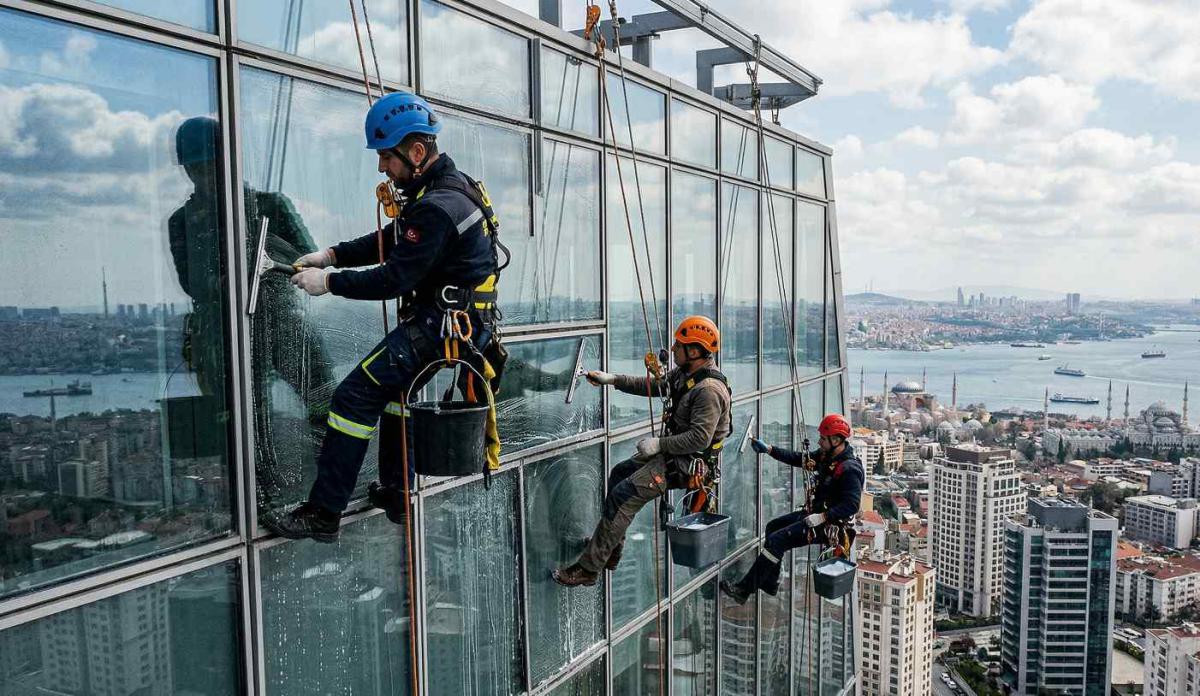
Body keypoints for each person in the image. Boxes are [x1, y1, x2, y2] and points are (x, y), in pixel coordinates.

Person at [264, 91, 503, 543]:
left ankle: (323, 513)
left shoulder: (436, 206)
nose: (382, 169)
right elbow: (394, 238)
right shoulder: (450, 190)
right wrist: (332, 255)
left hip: (441, 325)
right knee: (393, 395)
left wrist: (329, 283)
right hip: (456, 321)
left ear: (416, 152)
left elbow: (393, 276)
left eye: (386, 157)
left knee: (353, 397)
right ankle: (395, 488)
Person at [169, 116, 332, 465]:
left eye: (207, 166)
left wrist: (265, 264)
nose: (202, 175)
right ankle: (262, 490)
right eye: (195, 169)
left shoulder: (269, 206)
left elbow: (307, 258)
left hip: (277, 318)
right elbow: (190, 281)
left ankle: (329, 472)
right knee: (247, 419)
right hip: (225, 331)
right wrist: (223, 283)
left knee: (323, 393)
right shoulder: (183, 221)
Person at [553, 316, 732, 587]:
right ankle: (610, 549)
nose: (672, 349)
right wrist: (612, 379)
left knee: (624, 496)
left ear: (694, 352)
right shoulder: (688, 375)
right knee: (620, 474)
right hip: (674, 454)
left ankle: (588, 569)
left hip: (686, 463)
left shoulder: (708, 390)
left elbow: (699, 438)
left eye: (679, 345)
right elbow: (656, 386)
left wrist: (659, 444)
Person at [720, 413, 864, 604]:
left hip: (829, 526)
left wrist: (822, 517)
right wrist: (770, 450)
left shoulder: (848, 469)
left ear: (836, 440)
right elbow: (800, 459)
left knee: (777, 540)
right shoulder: (827, 458)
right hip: (815, 516)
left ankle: (744, 590)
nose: (819, 442)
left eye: (823, 438)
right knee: (772, 527)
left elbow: (851, 505)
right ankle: (770, 582)